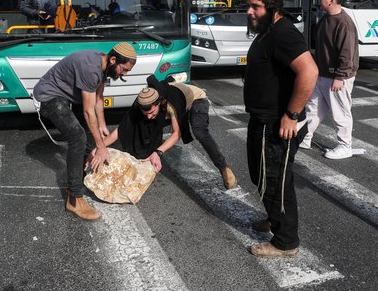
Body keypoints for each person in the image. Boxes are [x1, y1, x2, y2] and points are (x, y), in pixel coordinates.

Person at [243, 0, 318, 258]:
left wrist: (291, 114)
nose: (250, 12)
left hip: (277, 122)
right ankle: (275, 217)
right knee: (260, 173)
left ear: (273, 8)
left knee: (275, 179)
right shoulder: (268, 30)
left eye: (256, 7)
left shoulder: (283, 33)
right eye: (248, 6)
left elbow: (309, 72)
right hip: (262, 119)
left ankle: (285, 241)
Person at [32, 43, 137, 220]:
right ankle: (74, 199)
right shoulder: (91, 69)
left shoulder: (104, 66)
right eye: (124, 69)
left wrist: (102, 126)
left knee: (91, 134)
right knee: (78, 138)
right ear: (113, 59)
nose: (125, 74)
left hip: (65, 96)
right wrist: (101, 146)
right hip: (48, 97)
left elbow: (98, 100)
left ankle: (78, 180)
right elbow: (89, 111)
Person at [102, 78, 238, 189]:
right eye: (146, 113)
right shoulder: (141, 104)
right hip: (169, 102)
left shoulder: (170, 105)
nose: (149, 116)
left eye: (151, 112)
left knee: (199, 130)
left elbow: (176, 134)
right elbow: (122, 129)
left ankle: (223, 168)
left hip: (195, 99)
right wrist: (100, 147)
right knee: (139, 125)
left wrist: (158, 152)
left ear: (159, 104)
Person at [299, 0, 359, 160]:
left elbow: (348, 53)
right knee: (313, 108)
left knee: (341, 112)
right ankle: (304, 137)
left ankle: (345, 146)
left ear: (331, 0)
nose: (320, 1)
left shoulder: (344, 23)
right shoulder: (326, 19)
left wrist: (340, 76)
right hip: (323, 74)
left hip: (338, 76)